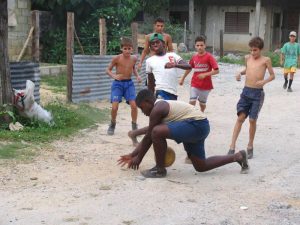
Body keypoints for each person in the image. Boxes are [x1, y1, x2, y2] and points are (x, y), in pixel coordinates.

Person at [118, 89, 249, 178]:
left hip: (196, 124)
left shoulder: (158, 108)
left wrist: (138, 158)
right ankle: (238, 157)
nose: (142, 111)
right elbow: (148, 135)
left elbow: (150, 136)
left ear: (147, 102)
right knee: (200, 166)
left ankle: (159, 169)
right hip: (198, 126)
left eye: (141, 107)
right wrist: (132, 155)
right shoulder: (159, 108)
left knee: (157, 132)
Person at [127, 32, 191, 149]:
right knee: (159, 126)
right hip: (160, 92)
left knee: (163, 124)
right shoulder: (150, 61)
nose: (155, 44)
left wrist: (175, 65)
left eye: (157, 42)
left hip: (173, 94)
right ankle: (157, 151)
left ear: (164, 44)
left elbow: (188, 66)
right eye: (152, 43)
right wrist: (151, 99)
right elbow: (150, 82)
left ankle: (134, 133)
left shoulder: (173, 56)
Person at [227, 37, 275, 159]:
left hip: (257, 94)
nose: (253, 53)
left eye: (255, 50)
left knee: (252, 120)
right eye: (251, 50)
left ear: (260, 49)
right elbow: (246, 70)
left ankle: (250, 145)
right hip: (246, 92)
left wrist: (264, 81)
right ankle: (232, 146)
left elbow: (272, 75)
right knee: (240, 117)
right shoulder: (247, 58)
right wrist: (239, 73)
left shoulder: (266, 60)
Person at [106, 37, 141, 140]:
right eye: (125, 48)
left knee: (134, 106)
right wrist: (114, 76)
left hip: (129, 84)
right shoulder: (117, 58)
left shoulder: (134, 58)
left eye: (129, 48)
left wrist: (137, 76)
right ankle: (112, 124)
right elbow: (107, 70)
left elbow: (133, 68)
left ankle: (134, 126)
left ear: (132, 49)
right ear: (121, 49)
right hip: (118, 84)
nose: (127, 51)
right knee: (114, 107)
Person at [179, 36, 219, 112]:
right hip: (195, 84)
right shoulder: (194, 57)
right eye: (197, 45)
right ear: (195, 46)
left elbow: (216, 71)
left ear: (205, 46)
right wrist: (182, 78)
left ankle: (201, 113)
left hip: (206, 85)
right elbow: (189, 68)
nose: (199, 47)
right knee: (192, 101)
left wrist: (205, 74)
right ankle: (190, 117)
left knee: (202, 103)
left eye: (201, 45)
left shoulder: (209, 57)